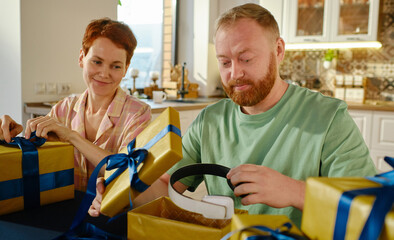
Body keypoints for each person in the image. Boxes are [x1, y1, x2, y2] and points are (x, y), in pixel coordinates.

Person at [89, 4, 377, 227]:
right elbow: (166, 187)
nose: (234, 73)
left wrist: (294, 191)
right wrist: (124, 191)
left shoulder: (328, 118)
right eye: (224, 61)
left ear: (278, 51)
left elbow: (370, 209)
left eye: (246, 59)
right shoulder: (209, 121)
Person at [0, 18, 151, 192]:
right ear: (82, 58)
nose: (104, 73)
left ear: (126, 68)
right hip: (64, 210)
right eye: (97, 62)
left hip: (113, 216)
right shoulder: (63, 109)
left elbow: (128, 174)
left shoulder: (138, 113)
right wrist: (10, 138)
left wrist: (72, 137)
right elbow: (36, 159)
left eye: (115, 66)